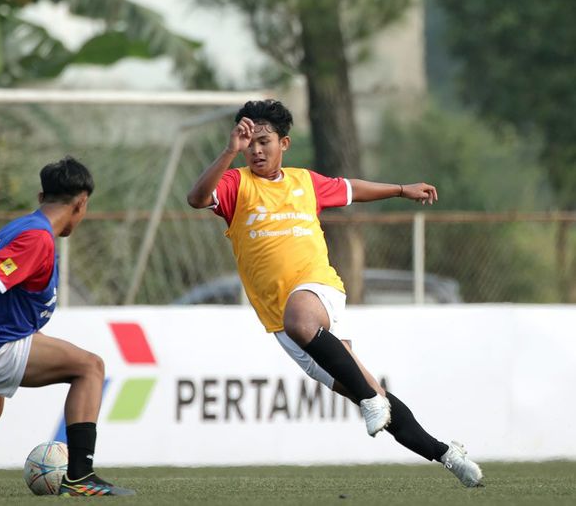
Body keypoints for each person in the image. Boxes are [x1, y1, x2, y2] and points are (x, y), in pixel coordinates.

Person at [187, 99, 483, 488]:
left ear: (284, 144)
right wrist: (229, 151)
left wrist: (400, 189)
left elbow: (351, 189)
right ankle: (447, 454)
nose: (256, 150)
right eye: (249, 143)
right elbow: (196, 198)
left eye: (264, 141)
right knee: (371, 393)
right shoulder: (236, 183)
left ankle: (371, 402)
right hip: (283, 322)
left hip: (317, 289)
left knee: (305, 324)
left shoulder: (304, 182)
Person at [0, 156, 135, 497]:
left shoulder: (23, 227)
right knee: (90, 367)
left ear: (40, 196)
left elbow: (3, 295)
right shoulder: (37, 238)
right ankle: (80, 476)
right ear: (81, 203)